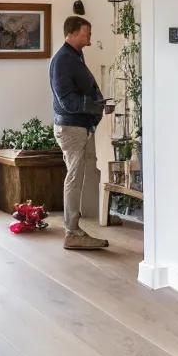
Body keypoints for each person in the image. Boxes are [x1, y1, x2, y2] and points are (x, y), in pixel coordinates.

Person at [49, 15, 111, 252]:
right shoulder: (63, 60)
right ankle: (72, 231)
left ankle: (76, 228)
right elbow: (66, 100)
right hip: (72, 128)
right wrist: (95, 105)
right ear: (72, 33)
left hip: (82, 127)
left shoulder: (74, 57)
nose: (89, 38)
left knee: (79, 176)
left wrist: (98, 105)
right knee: (74, 177)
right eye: (86, 33)